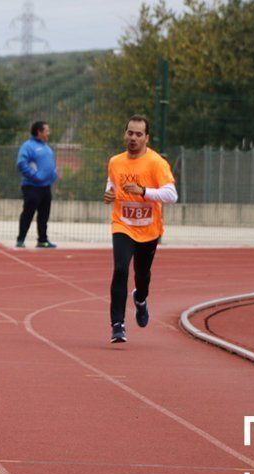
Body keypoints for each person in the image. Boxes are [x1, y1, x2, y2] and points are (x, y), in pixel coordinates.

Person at [104, 115, 178, 343]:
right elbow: (112, 183)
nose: (133, 138)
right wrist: (109, 193)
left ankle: (141, 298)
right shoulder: (115, 161)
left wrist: (143, 191)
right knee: (120, 270)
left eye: (138, 134)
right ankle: (117, 325)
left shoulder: (156, 163)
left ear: (146, 137)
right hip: (123, 225)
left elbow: (172, 195)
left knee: (142, 276)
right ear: (124, 134)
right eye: (130, 133)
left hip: (148, 229)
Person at [16, 121, 58, 248]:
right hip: (32, 187)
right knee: (28, 213)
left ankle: (42, 240)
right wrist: (35, 176)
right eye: (47, 131)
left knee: (44, 215)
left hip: (46, 187)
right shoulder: (28, 146)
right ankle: (21, 239)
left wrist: (54, 174)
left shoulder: (47, 147)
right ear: (39, 132)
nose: (48, 133)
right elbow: (21, 163)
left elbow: (49, 165)